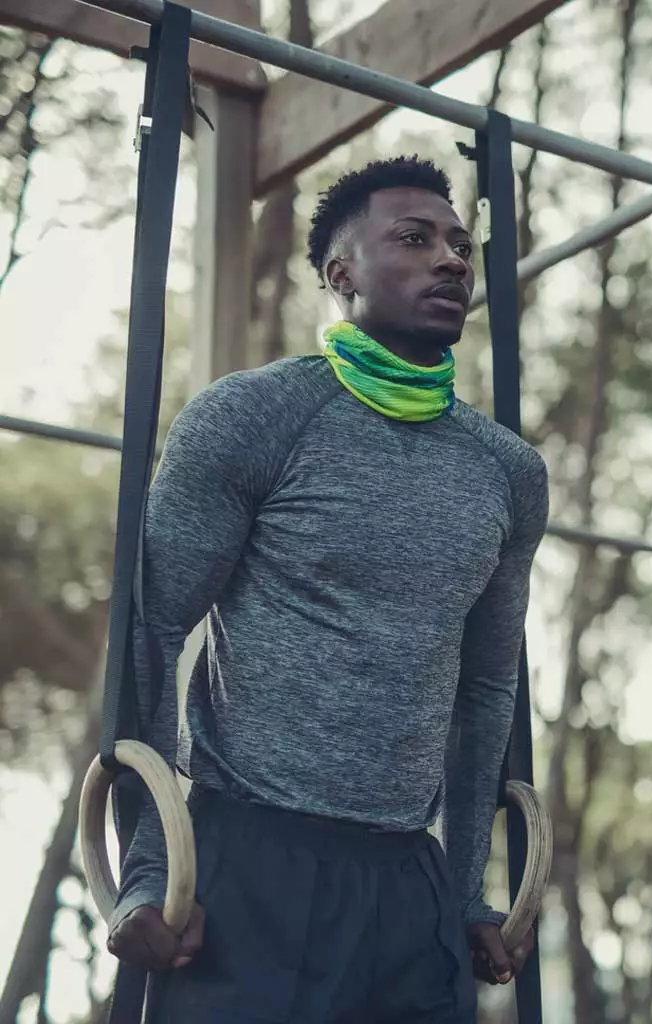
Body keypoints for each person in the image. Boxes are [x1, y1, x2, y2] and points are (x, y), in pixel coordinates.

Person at [105, 155, 549, 1023]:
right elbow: (150, 632)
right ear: (341, 273)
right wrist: (149, 872)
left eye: (460, 245)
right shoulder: (252, 417)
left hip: (409, 886)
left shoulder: (507, 471)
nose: (451, 259)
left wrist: (466, 890)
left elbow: (487, 688)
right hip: (246, 868)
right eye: (414, 239)